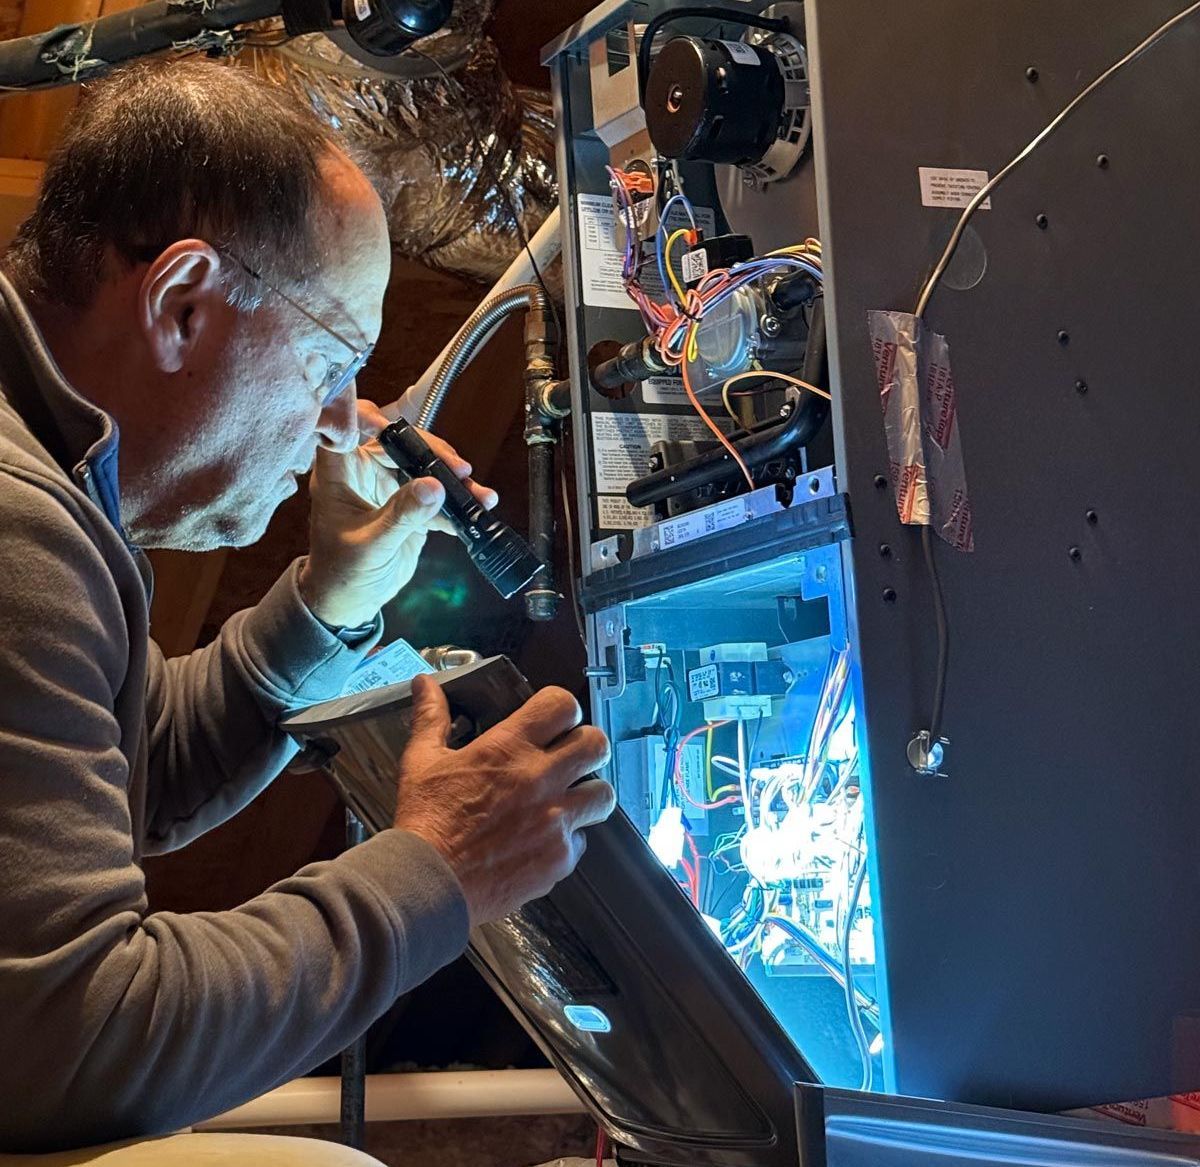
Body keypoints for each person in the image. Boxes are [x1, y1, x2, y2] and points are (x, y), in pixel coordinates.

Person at [0, 57, 614, 1160]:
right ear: (183, 306)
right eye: (331, 360)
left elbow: (117, 766)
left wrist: (330, 602)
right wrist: (439, 867)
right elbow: (70, 1042)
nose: (340, 422)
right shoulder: (18, 528)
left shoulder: (46, 472)